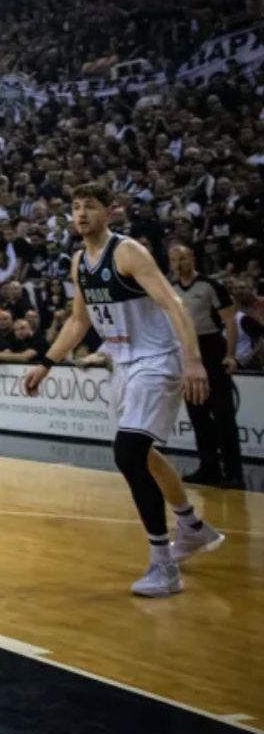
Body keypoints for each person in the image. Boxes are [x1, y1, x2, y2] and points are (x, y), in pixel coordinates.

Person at [24, 184, 222, 597]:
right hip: (123, 364)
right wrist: (46, 363)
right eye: (76, 207)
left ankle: (164, 567)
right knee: (144, 454)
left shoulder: (128, 252)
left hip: (157, 359)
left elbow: (175, 305)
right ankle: (191, 526)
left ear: (110, 212)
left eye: (90, 207)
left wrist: (193, 360)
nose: (81, 214)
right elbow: (79, 321)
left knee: (128, 453)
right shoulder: (79, 261)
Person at [168, 244, 241, 487]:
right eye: (174, 260)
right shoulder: (171, 289)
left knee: (223, 415)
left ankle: (233, 473)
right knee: (197, 414)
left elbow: (230, 322)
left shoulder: (210, 285)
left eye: (183, 258)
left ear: (192, 258)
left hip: (212, 348)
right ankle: (209, 468)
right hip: (188, 350)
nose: (179, 264)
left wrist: (230, 355)